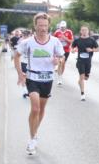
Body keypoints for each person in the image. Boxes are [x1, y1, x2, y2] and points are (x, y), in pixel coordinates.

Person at [14, 13, 66, 155]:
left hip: (47, 79)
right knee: (35, 108)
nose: (42, 28)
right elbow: (16, 56)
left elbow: (61, 57)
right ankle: (32, 139)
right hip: (32, 78)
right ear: (35, 25)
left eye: (45, 25)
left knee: (42, 109)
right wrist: (20, 73)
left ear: (48, 25)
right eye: (40, 25)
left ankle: (35, 131)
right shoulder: (28, 42)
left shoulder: (55, 41)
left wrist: (58, 61)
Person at [72, 25, 99, 101]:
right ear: (80, 31)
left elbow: (97, 49)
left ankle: (80, 82)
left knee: (86, 78)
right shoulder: (77, 40)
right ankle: (82, 94)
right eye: (82, 30)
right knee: (82, 76)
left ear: (88, 31)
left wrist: (91, 50)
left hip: (88, 61)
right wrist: (73, 50)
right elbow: (72, 47)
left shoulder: (91, 40)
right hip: (80, 61)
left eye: (85, 30)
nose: (84, 31)